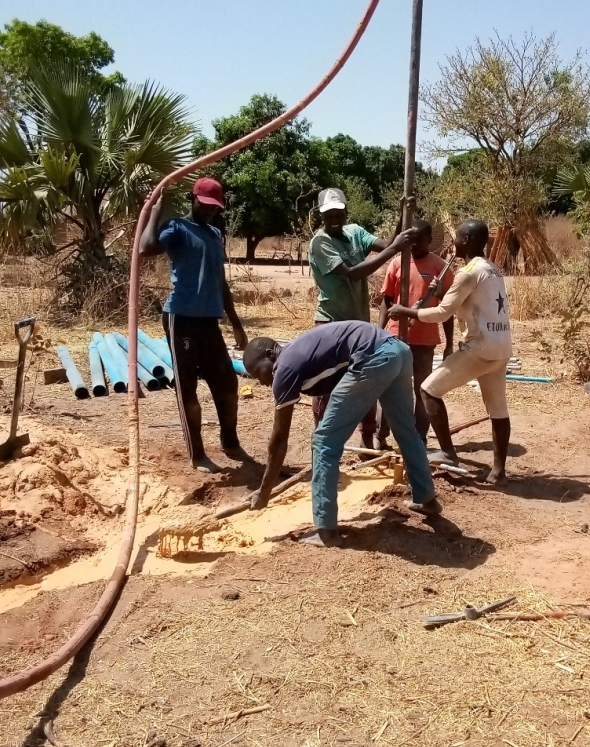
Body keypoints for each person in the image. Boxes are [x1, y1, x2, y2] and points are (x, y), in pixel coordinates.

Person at [242, 320, 441, 546]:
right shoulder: (299, 353)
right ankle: (426, 498)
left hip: (374, 355)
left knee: (323, 441)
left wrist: (264, 490)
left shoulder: (284, 367)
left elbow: (279, 440)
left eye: (258, 372)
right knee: (406, 431)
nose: (262, 382)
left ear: (270, 354)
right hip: (397, 351)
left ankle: (325, 529)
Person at [389, 220, 513, 485]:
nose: (453, 243)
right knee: (498, 409)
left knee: (427, 389)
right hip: (501, 347)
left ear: (466, 240)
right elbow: (463, 302)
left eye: (456, 237)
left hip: (479, 349)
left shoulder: (467, 273)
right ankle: (498, 470)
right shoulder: (492, 269)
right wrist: (443, 291)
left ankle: (447, 452)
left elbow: (442, 313)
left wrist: (406, 311)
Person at [139, 177, 249, 473]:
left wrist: (236, 323)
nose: (210, 211)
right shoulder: (176, 228)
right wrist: (155, 209)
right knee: (187, 389)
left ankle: (230, 441)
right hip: (181, 318)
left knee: (227, 382)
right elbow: (145, 249)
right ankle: (197, 453)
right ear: (193, 199)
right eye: (205, 205)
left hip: (209, 321)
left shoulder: (214, 234)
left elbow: (220, 281)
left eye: (215, 207)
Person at [308, 187, 418, 449]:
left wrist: (403, 215)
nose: (334, 218)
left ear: (346, 211)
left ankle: (367, 440)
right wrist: (394, 250)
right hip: (331, 321)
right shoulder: (320, 242)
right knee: (326, 383)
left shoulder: (356, 232)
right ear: (321, 216)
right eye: (328, 214)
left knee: (369, 379)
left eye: (338, 212)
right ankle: (321, 439)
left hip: (358, 323)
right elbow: (353, 273)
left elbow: (388, 245)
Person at [377, 218, 454, 448]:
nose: (413, 245)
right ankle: (381, 436)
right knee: (390, 388)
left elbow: (448, 309)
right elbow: (387, 300)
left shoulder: (440, 268)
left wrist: (449, 344)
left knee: (422, 390)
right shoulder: (397, 264)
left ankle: (419, 438)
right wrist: (378, 333)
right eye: (410, 240)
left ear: (430, 240)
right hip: (395, 337)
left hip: (425, 340)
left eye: (419, 240)